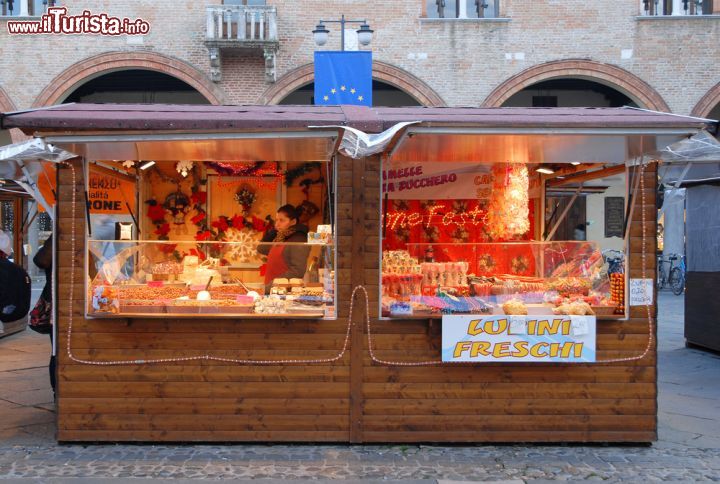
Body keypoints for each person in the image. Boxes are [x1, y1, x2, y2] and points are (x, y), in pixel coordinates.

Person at [257, 204, 310, 291]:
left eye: (281, 220)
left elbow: (297, 272)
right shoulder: (281, 237)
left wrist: (271, 286)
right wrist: (274, 230)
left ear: (293, 222)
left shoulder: (298, 239)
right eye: (276, 220)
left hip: (285, 293)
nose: (277, 224)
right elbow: (261, 248)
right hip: (272, 290)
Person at [33, 235, 55, 396]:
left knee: (57, 351)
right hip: (57, 306)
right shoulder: (57, 238)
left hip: (71, 301)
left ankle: (58, 391)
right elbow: (41, 260)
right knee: (57, 351)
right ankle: (57, 391)